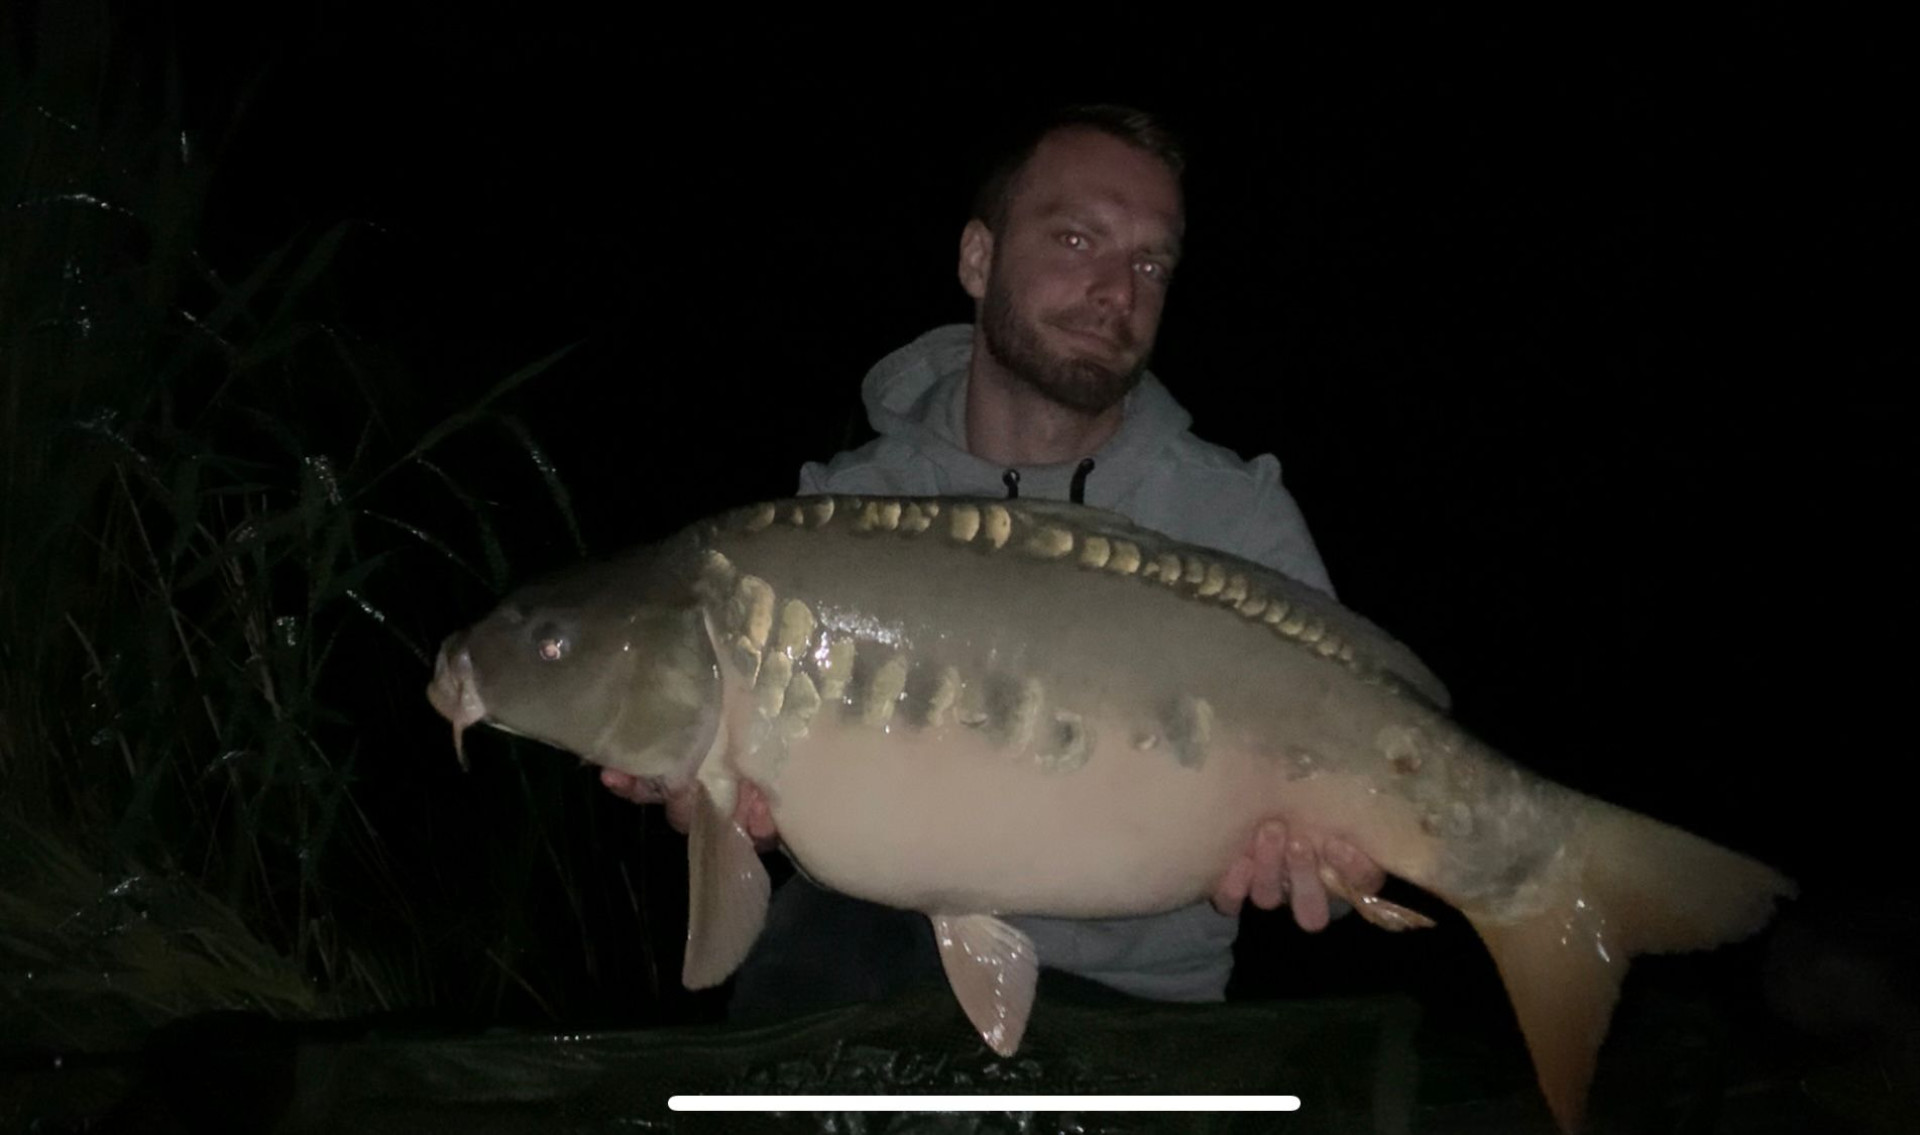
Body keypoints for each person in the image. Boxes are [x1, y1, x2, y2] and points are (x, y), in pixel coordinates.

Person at [603, 104, 1385, 1014]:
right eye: (1077, 239)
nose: (1117, 291)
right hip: (884, 956)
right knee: (814, 959)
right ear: (978, 259)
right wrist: (735, 807)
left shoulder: (1232, 517)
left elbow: (1354, 817)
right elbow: (781, 787)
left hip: (1147, 997)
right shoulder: (842, 516)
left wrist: (1328, 863)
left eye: (1150, 264)